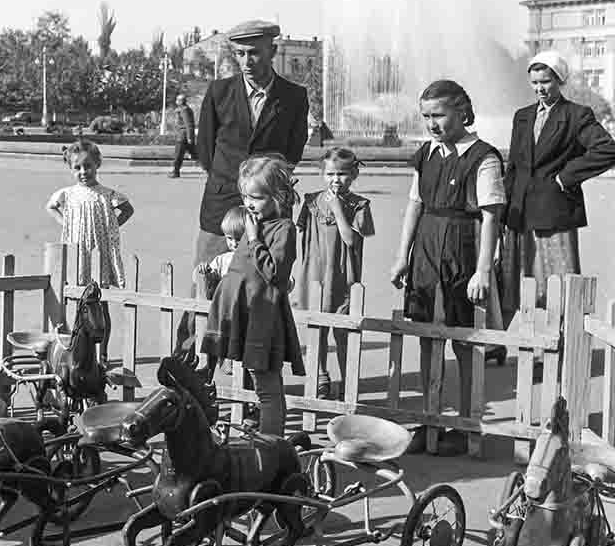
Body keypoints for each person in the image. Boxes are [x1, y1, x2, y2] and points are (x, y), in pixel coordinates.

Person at [175, 20, 309, 357]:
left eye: (255, 53)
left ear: (272, 52)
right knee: (203, 286)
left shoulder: (294, 97)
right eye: (240, 54)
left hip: (269, 209)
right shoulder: (219, 92)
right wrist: (228, 182)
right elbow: (205, 149)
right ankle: (187, 360)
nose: (247, 61)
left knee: (260, 289)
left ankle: (252, 374)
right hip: (220, 206)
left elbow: (292, 152)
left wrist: (265, 190)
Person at [390, 80, 505, 456]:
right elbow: (414, 206)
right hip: (426, 249)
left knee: (464, 340)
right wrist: (401, 256)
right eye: (425, 116)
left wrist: (483, 270)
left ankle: (467, 423)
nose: (431, 123)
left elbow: (491, 218)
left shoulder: (483, 156)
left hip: (463, 250)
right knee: (426, 335)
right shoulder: (426, 154)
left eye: (438, 115)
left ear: (462, 110)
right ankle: (430, 419)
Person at [501, 50, 615, 322]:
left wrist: (565, 177)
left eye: (546, 82)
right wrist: (505, 207)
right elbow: (514, 165)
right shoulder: (522, 116)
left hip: (554, 213)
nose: (539, 88)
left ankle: (558, 343)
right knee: (516, 280)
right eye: (535, 82)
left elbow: (607, 149)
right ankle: (501, 341)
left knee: (557, 284)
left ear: (559, 80)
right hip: (520, 211)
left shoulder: (577, 115)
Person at [200, 155, 305, 436]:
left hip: (261, 317)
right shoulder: (251, 221)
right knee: (207, 369)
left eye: (256, 197)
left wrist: (255, 237)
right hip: (237, 312)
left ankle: (272, 446)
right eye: (245, 195)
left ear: (278, 196)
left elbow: (275, 274)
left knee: (267, 388)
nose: (248, 203)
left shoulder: (283, 229)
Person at [294, 147, 375, 399]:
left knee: (343, 331)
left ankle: (347, 381)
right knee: (316, 329)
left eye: (342, 173)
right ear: (322, 174)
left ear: (354, 174)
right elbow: (299, 234)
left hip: (343, 275)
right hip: (315, 274)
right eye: (330, 173)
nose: (335, 179)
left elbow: (351, 240)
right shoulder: (311, 201)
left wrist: (338, 209)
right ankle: (319, 375)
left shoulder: (359, 205)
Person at [45, 139, 134, 363]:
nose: (83, 172)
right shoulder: (68, 194)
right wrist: (66, 224)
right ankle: (79, 352)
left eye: (88, 166)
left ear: (97, 165)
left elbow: (127, 209)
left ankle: (102, 352)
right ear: (71, 169)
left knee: (100, 305)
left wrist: (110, 228)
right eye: (77, 168)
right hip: (78, 253)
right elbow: (51, 207)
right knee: (78, 304)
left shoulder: (106, 194)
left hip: (98, 255)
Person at [192, 204, 246, 299]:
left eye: (238, 239)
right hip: (225, 306)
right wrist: (204, 271)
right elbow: (198, 279)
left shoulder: (255, 258)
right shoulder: (222, 260)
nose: (234, 243)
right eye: (229, 238)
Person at [168, 94, 196, 178]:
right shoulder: (182, 109)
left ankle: (175, 172)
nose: (176, 101)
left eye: (177, 100)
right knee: (195, 154)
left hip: (183, 136)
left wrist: (189, 137)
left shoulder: (184, 110)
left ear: (181, 101)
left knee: (178, 155)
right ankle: (211, 169)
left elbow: (188, 124)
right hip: (184, 135)